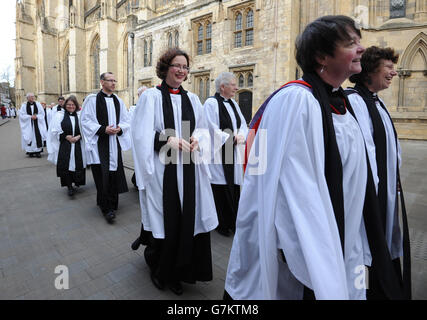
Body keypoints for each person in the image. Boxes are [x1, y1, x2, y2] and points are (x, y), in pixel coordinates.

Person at [224, 15, 374, 300]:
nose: (361, 48)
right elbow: (291, 188)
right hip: (305, 245)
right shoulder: (296, 99)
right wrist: (315, 257)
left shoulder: (343, 103)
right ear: (322, 57)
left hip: (343, 232)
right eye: (351, 42)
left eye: (359, 41)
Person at [130, 48, 218, 296]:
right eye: (177, 66)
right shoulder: (151, 98)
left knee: (187, 220)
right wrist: (168, 140)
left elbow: (202, 129)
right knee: (167, 222)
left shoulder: (193, 100)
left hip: (189, 171)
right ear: (165, 68)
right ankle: (161, 270)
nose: (181, 71)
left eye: (185, 67)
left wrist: (199, 140)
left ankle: (181, 272)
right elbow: (140, 135)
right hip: (163, 171)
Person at [346, 46, 411, 300]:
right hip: (367, 197)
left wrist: (393, 174)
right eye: (389, 67)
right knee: (367, 246)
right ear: (371, 69)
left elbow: (389, 147)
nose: (394, 73)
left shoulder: (377, 102)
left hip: (385, 191)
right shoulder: (353, 100)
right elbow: (361, 152)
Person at [80, 72, 131, 224]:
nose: (114, 83)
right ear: (102, 82)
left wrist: (120, 128)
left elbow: (126, 120)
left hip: (114, 144)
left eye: (115, 80)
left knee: (114, 174)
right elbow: (86, 120)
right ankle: (106, 208)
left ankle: (112, 203)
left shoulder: (118, 101)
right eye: (110, 80)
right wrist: (103, 129)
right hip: (99, 144)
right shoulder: (92, 100)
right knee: (102, 176)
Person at [204, 72, 248, 236]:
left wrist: (242, 135)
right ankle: (221, 223)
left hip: (234, 152)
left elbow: (243, 123)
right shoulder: (211, 103)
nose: (237, 88)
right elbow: (211, 128)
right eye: (233, 84)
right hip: (219, 154)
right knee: (221, 189)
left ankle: (233, 221)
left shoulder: (234, 104)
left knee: (235, 186)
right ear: (223, 87)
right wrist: (230, 138)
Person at [47, 95, 87, 197]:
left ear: (76, 105)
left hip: (78, 143)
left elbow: (86, 129)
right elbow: (54, 130)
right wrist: (66, 136)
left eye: (73, 104)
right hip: (66, 144)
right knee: (67, 164)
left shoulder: (80, 115)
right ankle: (69, 186)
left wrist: (79, 136)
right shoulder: (59, 115)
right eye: (68, 104)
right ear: (65, 105)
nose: (71, 106)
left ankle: (77, 182)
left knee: (77, 163)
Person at [129, 85, 148, 188]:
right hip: (139, 139)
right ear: (138, 95)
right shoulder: (133, 109)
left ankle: (138, 179)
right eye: (143, 94)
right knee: (140, 162)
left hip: (149, 138)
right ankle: (137, 180)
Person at [19, 93, 47, 158]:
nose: (32, 98)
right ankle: (30, 151)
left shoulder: (38, 104)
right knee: (29, 136)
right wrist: (30, 117)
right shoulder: (24, 105)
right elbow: (22, 115)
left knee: (38, 136)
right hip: (28, 124)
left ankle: (38, 152)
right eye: (30, 97)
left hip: (37, 124)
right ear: (27, 98)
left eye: (33, 97)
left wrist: (36, 116)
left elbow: (42, 113)